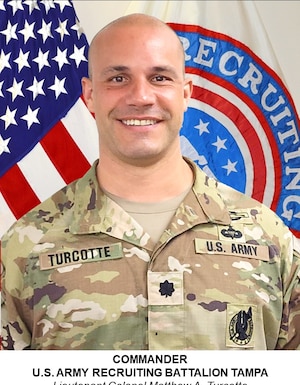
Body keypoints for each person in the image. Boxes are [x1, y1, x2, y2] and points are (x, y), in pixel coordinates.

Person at [1, 13, 300, 350]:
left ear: (185, 93)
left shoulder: (269, 240)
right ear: (89, 95)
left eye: (159, 77)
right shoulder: (25, 248)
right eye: (117, 78)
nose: (141, 96)